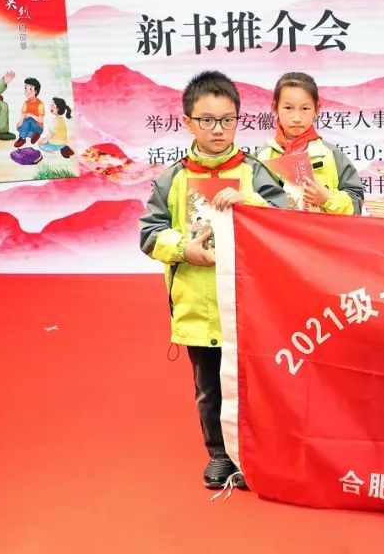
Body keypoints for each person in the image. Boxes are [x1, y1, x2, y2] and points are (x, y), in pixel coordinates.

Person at [139, 70, 287, 490]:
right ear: (188, 121)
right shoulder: (173, 178)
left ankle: (254, 454)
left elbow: (285, 222)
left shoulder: (255, 172)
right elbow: (149, 234)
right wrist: (183, 249)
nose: (218, 129)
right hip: (198, 305)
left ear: (238, 119)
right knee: (210, 388)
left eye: (227, 119)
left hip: (250, 305)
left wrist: (250, 200)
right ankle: (220, 455)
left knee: (255, 385)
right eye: (207, 120)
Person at [257, 71, 364, 215]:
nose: (296, 118)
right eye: (288, 108)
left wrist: (327, 199)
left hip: (319, 229)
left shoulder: (331, 155)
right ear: (275, 108)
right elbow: (249, 202)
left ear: (316, 109)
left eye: (305, 109)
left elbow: (357, 203)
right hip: (275, 229)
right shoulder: (261, 157)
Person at [14, 78, 45, 147]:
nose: (27, 91)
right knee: (20, 128)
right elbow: (22, 116)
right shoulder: (25, 103)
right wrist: (18, 125)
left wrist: (30, 115)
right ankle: (33, 135)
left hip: (38, 127)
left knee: (28, 120)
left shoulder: (40, 104)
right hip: (29, 127)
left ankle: (22, 138)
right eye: (25, 88)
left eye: (30, 89)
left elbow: (40, 120)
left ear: (36, 91)